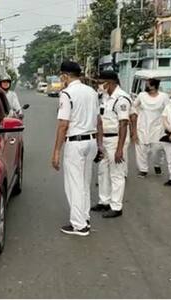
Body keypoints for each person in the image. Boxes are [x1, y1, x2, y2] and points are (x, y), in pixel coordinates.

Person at [52, 61, 102, 236]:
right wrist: (100, 144)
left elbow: (63, 124)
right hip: (91, 141)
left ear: (65, 75)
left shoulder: (67, 94)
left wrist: (57, 151)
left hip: (75, 142)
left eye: (61, 76)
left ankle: (79, 225)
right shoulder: (92, 92)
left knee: (74, 184)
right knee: (84, 182)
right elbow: (98, 120)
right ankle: (84, 217)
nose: (61, 79)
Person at [91, 71, 131, 218]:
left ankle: (116, 206)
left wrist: (119, 149)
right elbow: (100, 121)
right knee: (102, 172)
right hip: (105, 140)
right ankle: (104, 201)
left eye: (102, 82)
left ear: (111, 82)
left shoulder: (122, 99)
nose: (99, 85)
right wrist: (99, 143)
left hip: (116, 140)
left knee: (117, 173)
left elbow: (123, 124)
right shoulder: (105, 98)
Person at [132, 78, 169, 178]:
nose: (146, 86)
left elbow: (169, 110)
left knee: (157, 149)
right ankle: (143, 169)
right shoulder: (142, 95)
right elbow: (133, 107)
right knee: (141, 149)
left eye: (148, 84)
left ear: (154, 86)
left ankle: (157, 164)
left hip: (158, 127)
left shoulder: (164, 97)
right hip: (142, 126)